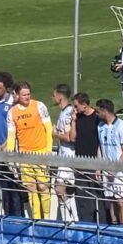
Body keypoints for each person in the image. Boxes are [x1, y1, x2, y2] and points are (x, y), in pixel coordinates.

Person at [6, 81, 53, 220]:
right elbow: (11, 136)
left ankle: (47, 218)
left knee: (43, 187)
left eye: (28, 94)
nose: (27, 97)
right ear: (17, 95)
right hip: (24, 156)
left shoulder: (39, 106)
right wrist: (10, 156)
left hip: (41, 152)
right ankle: (36, 219)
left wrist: (48, 150)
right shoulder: (12, 112)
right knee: (31, 188)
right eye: (24, 95)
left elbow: (48, 128)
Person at [0, 72, 24, 216]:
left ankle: (18, 216)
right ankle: (7, 215)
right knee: (3, 185)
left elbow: (15, 127)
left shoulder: (12, 103)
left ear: (6, 87)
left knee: (14, 184)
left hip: (9, 150)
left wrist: (5, 144)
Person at [97, 98, 123, 224]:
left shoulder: (122, 127)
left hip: (120, 171)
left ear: (104, 111)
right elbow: (100, 147)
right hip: (107, 170)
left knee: (122, 201)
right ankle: (114, 224)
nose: (97, 114)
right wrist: (99, 167)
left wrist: (115, 169)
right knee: (111, 199)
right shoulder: (100, 126)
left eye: (98, 111)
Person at [68, 92, 102, 223]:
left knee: (96, 196)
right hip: (80, 163)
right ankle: (84, 223)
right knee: (82, 197)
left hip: (94, 163)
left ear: (84, 105)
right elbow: (72, 138)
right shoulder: (78, 118)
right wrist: (73, 121)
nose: (74, 109)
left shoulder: (97, 118)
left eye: (76, 106)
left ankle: (99, 223)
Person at [52, 84, 78, 222]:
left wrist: (55, 134)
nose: (52, 98)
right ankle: (70, 220)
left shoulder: (68, 113)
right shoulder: (64, 112)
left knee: (59, 189)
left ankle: (70, 221)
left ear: (59, 96)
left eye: (54, 95)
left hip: (68, 157)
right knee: (67, 191)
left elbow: (69, 137)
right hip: (64, 156)